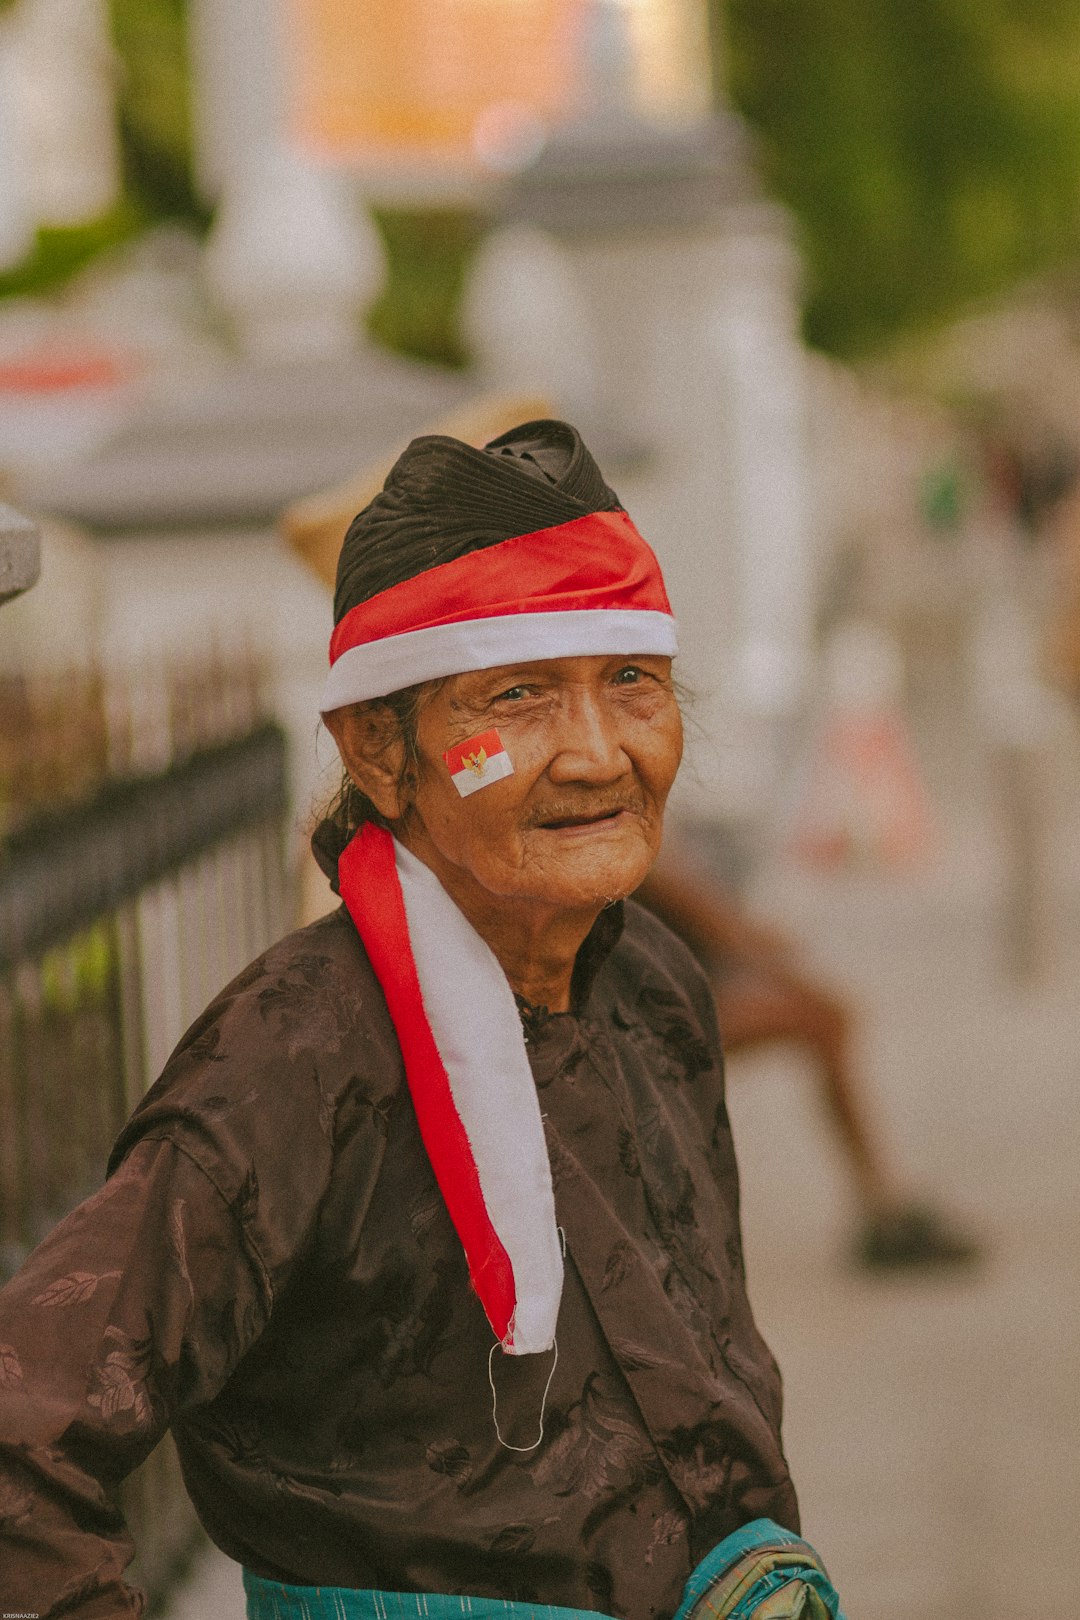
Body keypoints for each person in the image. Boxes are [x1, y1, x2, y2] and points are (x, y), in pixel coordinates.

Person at [0, 422, 843, 1620]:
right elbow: (20, 1433)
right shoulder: (295, 1059)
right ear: (382, 755)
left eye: (631, 683)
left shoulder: (650, 980)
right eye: (519, 697)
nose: (600, 754)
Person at [635, 853, 980, 1271]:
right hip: (638, 1016)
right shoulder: (640, 843)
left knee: (824, 1019)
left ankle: (881, 1202)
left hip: (655, 1000)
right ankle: (882, 1205)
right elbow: (719, 927)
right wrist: (785, 971)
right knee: (824, 1021)